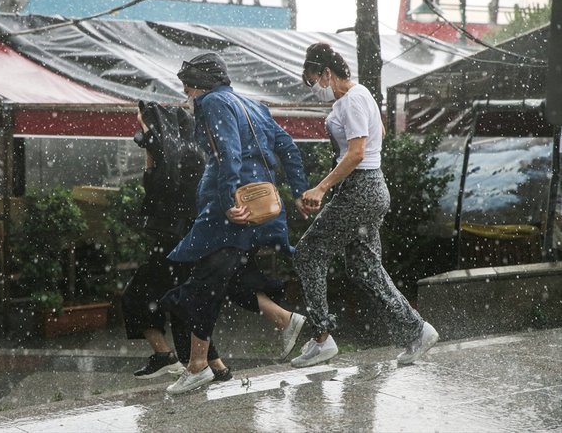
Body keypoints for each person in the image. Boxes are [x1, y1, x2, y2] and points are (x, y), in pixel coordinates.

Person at [162, 52, 312, 395]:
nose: (186, 93)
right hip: (260, 208)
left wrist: (229, 200)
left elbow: (227, 152)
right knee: (229, 280)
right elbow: (287, 145)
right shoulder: (252, 104)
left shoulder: (212, 102)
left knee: (200, 284)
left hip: (227, 212)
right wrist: (300, 190)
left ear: (197, 85)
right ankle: (287, 322)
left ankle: (199, 366)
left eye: (187, 86)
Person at [290, 42, 439, 369]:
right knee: (364, 268)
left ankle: (321, 339)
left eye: (315, 80)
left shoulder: (352, 100)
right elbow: (379, 132)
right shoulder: (359, 95)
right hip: (370, 189)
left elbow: (357, 153)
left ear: (327, 73)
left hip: (360, 189)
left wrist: (322, 187)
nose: (316, 89)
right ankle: (418, 330)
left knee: (308, 252)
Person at [121, 100, 232, 382]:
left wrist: (150, 147)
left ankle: (174, 357)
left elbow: (154, 193)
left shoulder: (173, 160)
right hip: (190, 238)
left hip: (173, 240)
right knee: (181, 299)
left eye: (143, 127)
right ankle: (213, 365)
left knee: (145, 298)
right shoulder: (192, 152)